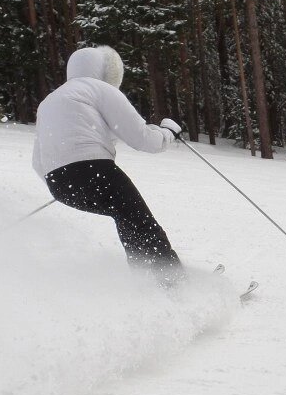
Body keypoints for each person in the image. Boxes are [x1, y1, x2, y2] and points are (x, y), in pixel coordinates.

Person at [32, 45, 185, 285]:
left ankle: (147, 282)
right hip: (94, 172)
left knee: (126, 216)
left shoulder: (49, 101)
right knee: (140, 221)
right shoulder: (99, 89)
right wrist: (167, 133)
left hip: (59, 184)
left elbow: (37, 161)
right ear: (107, 71)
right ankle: (174, 286)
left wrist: (66, 178)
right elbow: (143, 138)